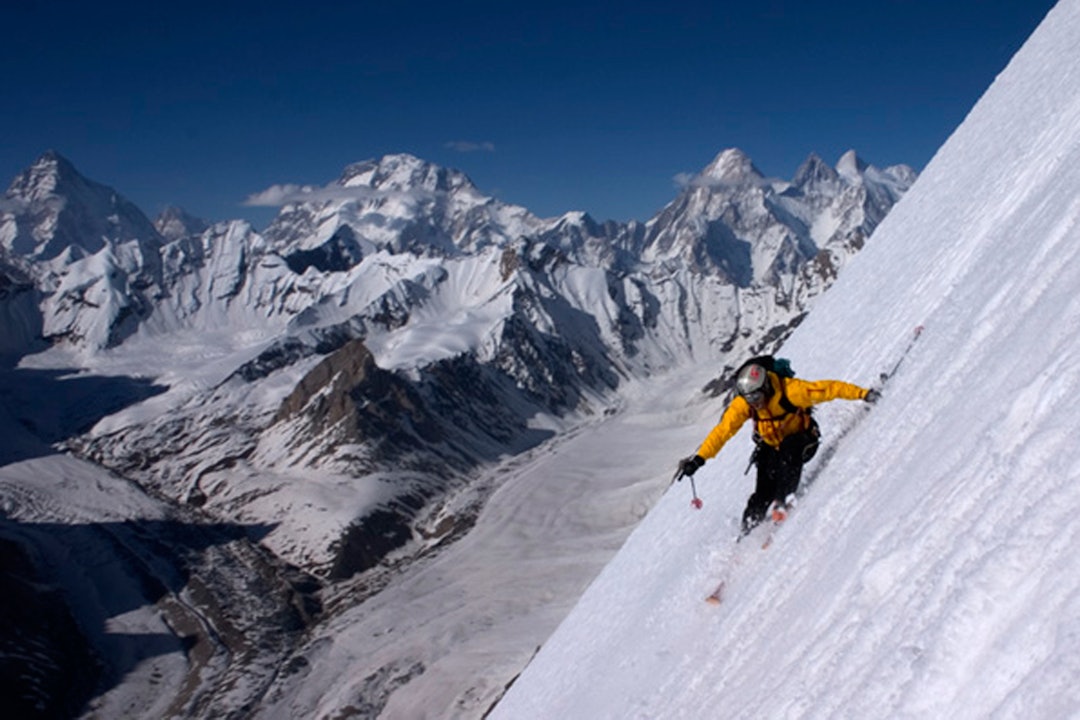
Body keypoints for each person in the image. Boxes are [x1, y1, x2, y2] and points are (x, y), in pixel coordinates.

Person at [677, 357, 879, 534]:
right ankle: (747, 531)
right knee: (761, 492)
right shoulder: (745, 404)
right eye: (749, 399)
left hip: (803, 440)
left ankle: (782, 502)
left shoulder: (790, 391)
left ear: (764, 387)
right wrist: (699, 458)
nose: (754, 403)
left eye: (756, 397)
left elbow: (828, 389)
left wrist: (863, 394)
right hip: (772, 444)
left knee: (788, 454)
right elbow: (723, 431)